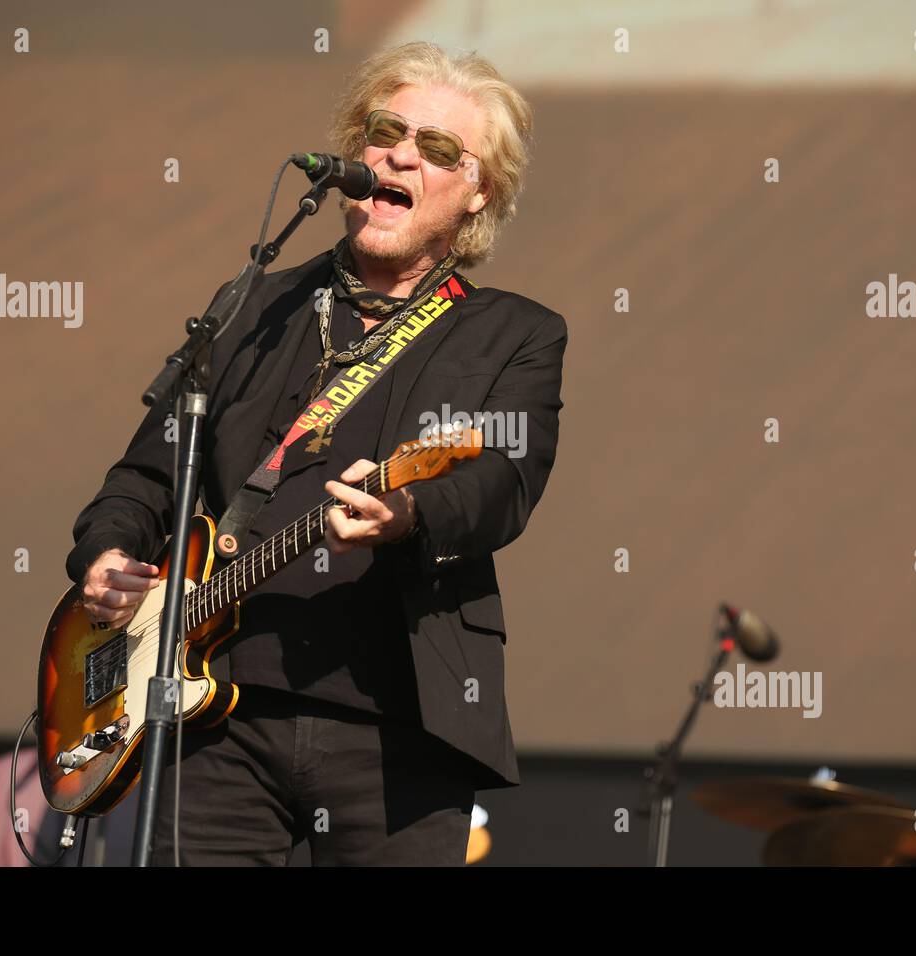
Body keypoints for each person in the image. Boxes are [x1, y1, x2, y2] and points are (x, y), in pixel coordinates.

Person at [64, 41, 566, 865]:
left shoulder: (517, 334)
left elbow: (504, 483)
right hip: (210, 713)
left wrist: (409, 512)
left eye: (438, 148)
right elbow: (146, 474)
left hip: (399, 720)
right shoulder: (255, 304)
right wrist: (106, 552)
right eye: (384, 129)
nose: (400, 152)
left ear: (480, 193)